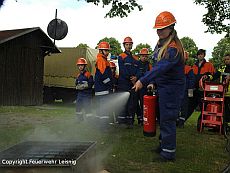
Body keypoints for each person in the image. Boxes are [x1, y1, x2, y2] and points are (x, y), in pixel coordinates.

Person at [133, 11, 185, 161]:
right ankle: (163, 145)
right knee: (162, 118)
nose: (159, 32)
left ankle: (168, 153)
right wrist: (152, 82)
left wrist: (142, 80)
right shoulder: (162, 45)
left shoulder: (173, 49)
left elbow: (160, 68)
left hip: (172, 89)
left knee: (167, 119)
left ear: (171, 28)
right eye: (158, 29)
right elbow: (157, 67)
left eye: (162, 29)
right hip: (163, 87)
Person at [179, 49, 215, 126]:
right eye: (199, 54)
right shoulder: (194, 66)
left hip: (203, 91)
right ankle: (181, 121)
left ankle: (201, 123)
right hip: (194, 90)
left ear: (204, 55)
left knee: (203, 108)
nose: (200, 56)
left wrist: (208, 76)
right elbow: (191, 79)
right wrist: (190, 89)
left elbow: (214, 76)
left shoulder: (209, 65)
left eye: (201, 54)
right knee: (189, 106)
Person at [117, 36, 141, 127]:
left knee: (132, 103)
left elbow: (139, 69)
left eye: (130, 44)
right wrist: (131, 78)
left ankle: (130, 121)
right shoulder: (121, 56)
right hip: (124, 83)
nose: (128, 46)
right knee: (123, 103)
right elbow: (122, 70)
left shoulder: (135, 58)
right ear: (124, 45)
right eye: (127, 44)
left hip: (132, 84)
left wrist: (136, 77)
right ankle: (122, 121)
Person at [94, 41, 113, 127]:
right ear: (101, 51)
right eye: (106, 50)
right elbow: (103, 75)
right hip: (103, 90)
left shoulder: (103, 59)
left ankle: (100, 124)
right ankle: (103, 126)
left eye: (108, 50)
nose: (108, 52)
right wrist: (110, 84)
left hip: (101, 89)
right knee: (104, 109)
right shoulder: (101, 60)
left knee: (101, 109)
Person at [177, 51, 196, 128]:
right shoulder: (176, 68)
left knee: (184, 107)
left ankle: (181, 122)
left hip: (184, 91)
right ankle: (177, 121)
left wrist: (190, 93)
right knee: (177, 107)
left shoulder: (188, 68)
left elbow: (192, 80)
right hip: (177, 91)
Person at [212, 53, 230, 131]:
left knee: (228, 111)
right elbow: (215, 75)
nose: (226, 61)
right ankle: (218, 126)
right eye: (225, 59)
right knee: (221, 110)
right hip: (222, 93)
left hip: (229, 93)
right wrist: (208, 76)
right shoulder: (222, 68)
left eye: (228, 59)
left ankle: (227, 127)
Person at [136, 48, 152, 125]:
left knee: (144, 104)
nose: (144, 57)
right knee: (135, 103)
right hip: (136, 86)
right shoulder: (136, 64)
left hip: (145, 87)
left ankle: (143, 118)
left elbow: (152, 75)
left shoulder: (149, 65)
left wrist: (151, 83)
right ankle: (139, 118)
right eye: (143, 56)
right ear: (140, 56)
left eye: (145, 56)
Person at [75, 57, 94, 122]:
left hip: (87, 95)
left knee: (87, 108)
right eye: (79, 65)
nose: (80, 67)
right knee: (78, 108)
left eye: (82, 65)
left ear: (85, 66)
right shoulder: (78, 76)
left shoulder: (88, 75)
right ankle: (80, 120)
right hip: (80, 95)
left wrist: (83, 86)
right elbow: (76, 84)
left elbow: (91, 84)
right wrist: (77, 87)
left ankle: (89, 121)